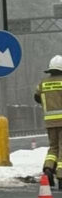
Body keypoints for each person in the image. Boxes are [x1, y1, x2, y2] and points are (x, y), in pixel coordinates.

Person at [35, 55, 62, 188]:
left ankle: (48, 168)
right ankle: (61, 175)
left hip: (50, 123)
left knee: (53, 147)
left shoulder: (42, 84)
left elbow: (37, 98)